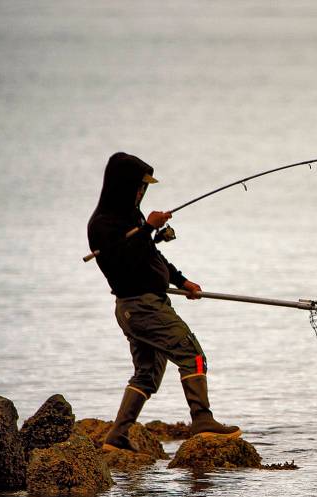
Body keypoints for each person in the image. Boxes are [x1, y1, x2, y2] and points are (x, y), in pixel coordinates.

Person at [88, 152, 240, 451]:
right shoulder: (102, 224)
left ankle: (116, 438)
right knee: (191, 354)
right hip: (140, 306)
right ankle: (202, 419)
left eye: (144, 188)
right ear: (123, 185)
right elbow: (122, 260)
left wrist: (182, 281)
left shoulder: (132, 217)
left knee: (147, 374)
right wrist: (147, 229)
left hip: (144, 306)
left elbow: (151, 257)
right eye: (139, 186)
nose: (142, 192)